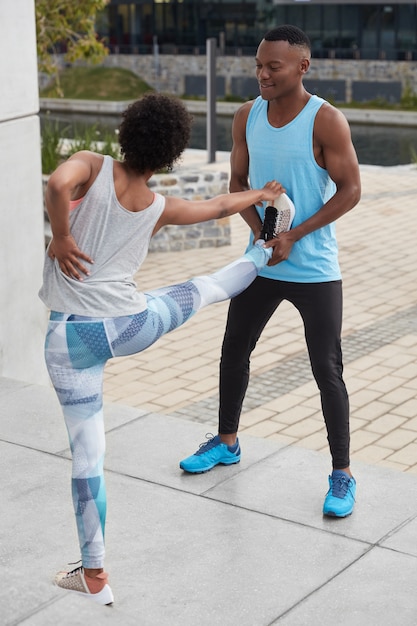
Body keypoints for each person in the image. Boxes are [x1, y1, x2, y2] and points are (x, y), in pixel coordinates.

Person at [38, 92, 286, 605]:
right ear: (171, 155)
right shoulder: (158, 206)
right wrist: (260, 194)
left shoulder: (91, 164)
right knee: (203, 289)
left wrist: (61, 236)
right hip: (131, 325)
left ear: (126, 131)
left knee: (89, 457)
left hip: (69, 342)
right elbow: (219, 205)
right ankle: (264, 253)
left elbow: (58, 183)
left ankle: (95, 574)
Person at [180, 25, 361, 519]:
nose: (261, 74)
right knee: (233, 352)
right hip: (261, 262)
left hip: (316, 268)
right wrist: (263, 234)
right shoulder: (246, 116)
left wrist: (293, 236)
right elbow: (238, 183)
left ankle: (342, 474)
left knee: (327, 369)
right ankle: (226, 441)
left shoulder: (326, 121)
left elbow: (350, 191)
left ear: (302, 67)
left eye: (272, 67)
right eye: (258, 65)